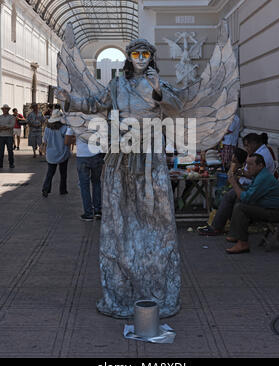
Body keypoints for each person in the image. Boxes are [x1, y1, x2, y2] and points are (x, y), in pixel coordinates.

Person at [59, 39, 182, 319]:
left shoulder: (157, 84)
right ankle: (122, 288)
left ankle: (156, 285)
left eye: (146, 54)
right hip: (121, 157)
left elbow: (177, 107)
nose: (140, 58)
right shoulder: (116, 85)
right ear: (128, 57)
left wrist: (158, 89)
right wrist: (70, 101)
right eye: (136, 54)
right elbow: (94, 104)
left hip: (150, 159)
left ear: (152, 57)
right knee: (120, 220)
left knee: (156, 219)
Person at [198, 132, 275, 236]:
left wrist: (235, 176)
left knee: (230, 196)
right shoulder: (259, 152)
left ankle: (220, 227)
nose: (246, 149)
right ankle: (227, 228)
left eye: (247, 146)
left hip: (259, 190)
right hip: (253, 185)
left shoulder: (262, 155)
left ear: (253, 144)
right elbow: (250, 173)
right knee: (228, 194)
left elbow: (251, 174)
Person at [226, 154, 279, 254]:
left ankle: (242, 243)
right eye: (247, 164)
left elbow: (246, 198)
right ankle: (235, 235)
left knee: (240, 207)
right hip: (265, 208)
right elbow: (246, 193)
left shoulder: (263, 178)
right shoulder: (259, 176)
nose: (248, 168)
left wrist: (234, 183)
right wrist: (236, 182)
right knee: (238, 201)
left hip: (273, 212)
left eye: (251, 164)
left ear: (260, 165)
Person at [65, 128, 104, 221]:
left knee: (84, 185)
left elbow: (67, 141)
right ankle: (98, 211)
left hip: (82, 156)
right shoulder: (98, 116)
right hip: (97, 154)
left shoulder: (74, 118)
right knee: (96, 183)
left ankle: (88, 213)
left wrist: (76, 139)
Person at [41, 109, 70, 197]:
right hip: (63, 153)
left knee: (50, 173)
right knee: (63, 173)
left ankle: (45, 189)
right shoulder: (64, 128)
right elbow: (66, 141)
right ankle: (63, 190)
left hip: (51, 154)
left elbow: (44, 141)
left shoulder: (47, 129)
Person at [0, 104, 15, 168]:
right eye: (3, 109)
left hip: (9, 136)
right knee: (0, 151)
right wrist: (6, 127)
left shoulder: (12, 117)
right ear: (2, 110)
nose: (4, 110)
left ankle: (11, 163)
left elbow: (12, 125)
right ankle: (0, 164)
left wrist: (3, 127)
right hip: (0, 136)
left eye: (6, 109)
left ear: (8, 110)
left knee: (10, 150)